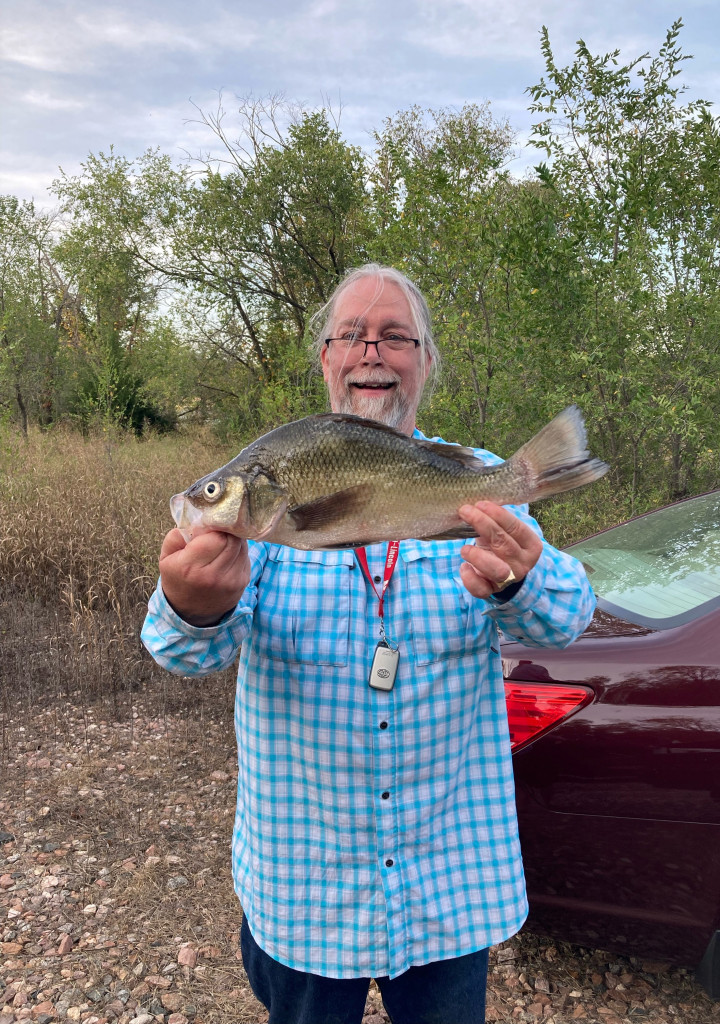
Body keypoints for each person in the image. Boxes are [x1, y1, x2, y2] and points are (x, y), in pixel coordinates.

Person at [141, 264, 596, 1024]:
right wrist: (194, 606)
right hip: (304, 893)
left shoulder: (473, 482)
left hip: (448, 888)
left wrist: (521, 583)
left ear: (424, 361)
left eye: (395, 336)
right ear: (324, 357)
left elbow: (566, 621)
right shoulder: (266, 506)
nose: (371, 351)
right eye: (350, 334)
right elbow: (182, 655)